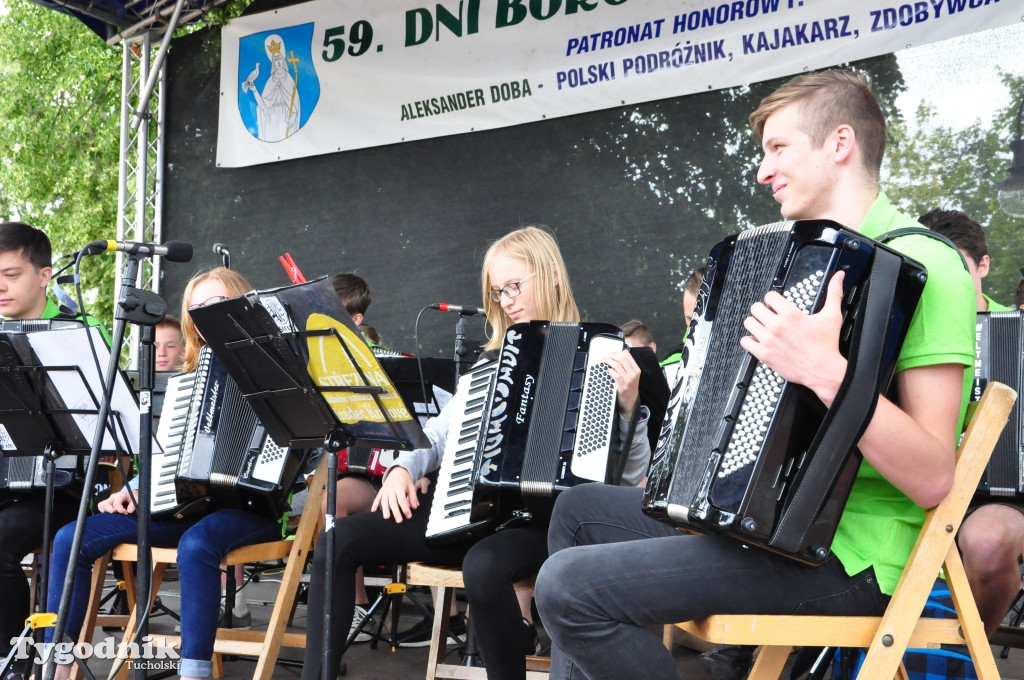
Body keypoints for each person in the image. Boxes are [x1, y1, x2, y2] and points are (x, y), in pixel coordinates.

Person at [533, 70, 976, 680]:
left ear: (839, 143)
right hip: (768, 527)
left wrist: (827, 373)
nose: (763, 171)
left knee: (568, 587)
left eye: (778, 148)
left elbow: (933, 478)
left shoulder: (930, 264)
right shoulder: (805, 263)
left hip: (852, 559)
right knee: (577, 512)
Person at [299, 226, 654, 680]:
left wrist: (628, 408)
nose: (505, 300)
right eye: (496, 292)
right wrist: (401, 471)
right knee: (337, 540)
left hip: (546, 522)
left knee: (484, 564)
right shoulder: (489, 364)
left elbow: (627, 481)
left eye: (514, 286)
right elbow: (436, 437)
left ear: (550, 277)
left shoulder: (601, 354)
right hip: (466, 509)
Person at [43, 267, 288, 680]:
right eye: (195, 310)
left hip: (252, 512)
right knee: (72, 536)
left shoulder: (283, 370)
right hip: (182, 510)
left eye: (215, 304)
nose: (202, 316)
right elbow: (168, 457)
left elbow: (311, 450)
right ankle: (58, 667)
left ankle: (193, 673)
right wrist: (137, 488)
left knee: (197, 544)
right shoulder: (188, 381)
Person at [0, 222, 106, 679]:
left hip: (66, 488)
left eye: (11, 274)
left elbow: (107, 428)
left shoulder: (81, 333)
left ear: (44, 276)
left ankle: (14, 663)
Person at [920, 208, 1018, 636]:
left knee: (988, 541)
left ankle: (962, 656)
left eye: (957, 271)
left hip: (1004, 497)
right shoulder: (908, 328)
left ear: (983, 265)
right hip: (916, 484)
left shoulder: (1015, 328)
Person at [919, 208, 1013, 314]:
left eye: (953, 268)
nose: (942, 280)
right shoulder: (904, 326)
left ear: (983, 266)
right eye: (929, 270)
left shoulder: (1018, 325)